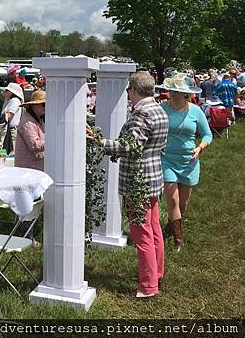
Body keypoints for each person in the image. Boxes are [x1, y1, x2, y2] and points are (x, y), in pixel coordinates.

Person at [88, 72, 169, 298]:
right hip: (154, 177)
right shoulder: (159, 110)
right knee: (154, 230)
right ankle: (157, 275)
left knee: (141, 234)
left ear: (133, 90)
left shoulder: (142, 113)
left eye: (128, 91)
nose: (128, 95)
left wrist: (100, 141)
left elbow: (129, 147)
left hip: (138, 181)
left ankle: (148, 287)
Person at [155, 73, 212, 251]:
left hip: (189, 161)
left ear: (185, 93)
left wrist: (200, 148)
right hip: (166, 159)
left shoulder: (195, 111)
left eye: (177, 91)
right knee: (173, 200)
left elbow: (207, 135)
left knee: (182, 203)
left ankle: (171, 225)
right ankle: (178, 241)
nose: (172, 93)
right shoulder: (162, 108)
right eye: (171, 90)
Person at [14, 90, 45, 171]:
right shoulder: (27, 122)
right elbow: (34, 145)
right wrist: (52, 141)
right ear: (33, 105)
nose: (46, 107)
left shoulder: (38, 119)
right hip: (28, 168)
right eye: (43, 104)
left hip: (34, 165)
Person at [0, 83, 24, 152]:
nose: (5, 92)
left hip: (11, 132)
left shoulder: (15, 100)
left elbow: (9, 116)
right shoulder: (9, 101)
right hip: (6, 130)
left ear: (12, 92)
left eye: (7, 90)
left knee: (10, 152)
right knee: (2, 151)